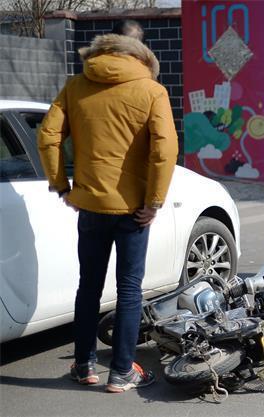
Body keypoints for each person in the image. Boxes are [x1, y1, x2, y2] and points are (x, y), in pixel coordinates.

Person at [37, 20, 178, 393]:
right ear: (138, 55)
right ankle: (121, 372)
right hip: (134, 210)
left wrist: (60, 185)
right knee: (130, 290)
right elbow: (165, 149)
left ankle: (84, 365)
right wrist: (154, 201)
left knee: (88, 287)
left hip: (91, 206)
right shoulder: (151, 90)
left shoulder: (75, 86)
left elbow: (48, 135)